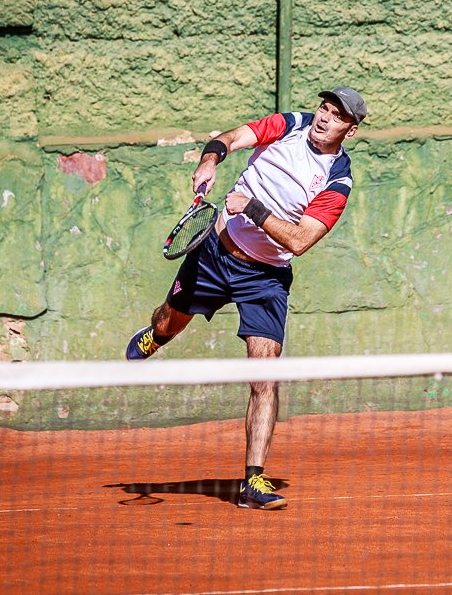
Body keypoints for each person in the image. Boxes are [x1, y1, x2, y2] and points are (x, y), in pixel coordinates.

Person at [125, 87, 366, 510]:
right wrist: (209, 161)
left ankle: (254, 480)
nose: (324, 118)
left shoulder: (337, 181)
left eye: (336, 116)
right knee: (168, 321)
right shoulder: (289, 126)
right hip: (216, 251)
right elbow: (233, 138)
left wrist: (252, 207)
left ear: (351, 129)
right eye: (323, 108)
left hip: (267, 278)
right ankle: (157, 336)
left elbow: (300, 239)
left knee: (264, 377)